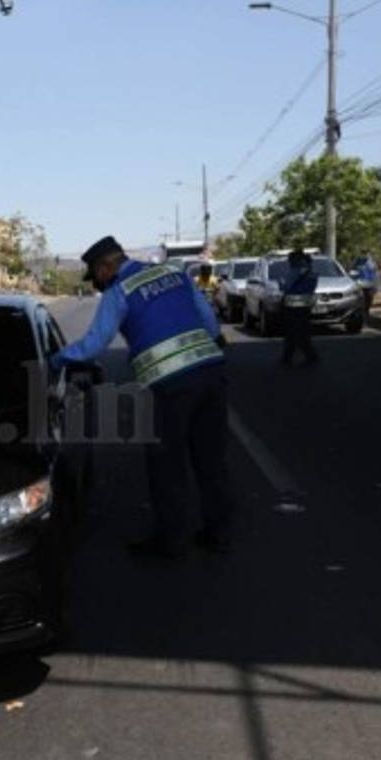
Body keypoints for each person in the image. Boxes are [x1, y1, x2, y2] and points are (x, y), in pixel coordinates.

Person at [50, 235, 232, 556]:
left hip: (170, 386)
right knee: (210, 458)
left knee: (166, 463)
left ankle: (169, 541)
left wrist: (56, 360)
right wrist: (215, 343)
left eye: (97, 275)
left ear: (107, 265)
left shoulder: (120, 290)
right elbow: (206, 317)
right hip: (211, 375)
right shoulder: (174, 273)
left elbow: (94, 345)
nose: (98, 284)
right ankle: (218, 532)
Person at [280, 249, 319, 367]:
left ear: (296, 259)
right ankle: (294, 356)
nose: (289, 262)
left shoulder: (297, 271)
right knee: (301, 331)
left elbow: (285, 286)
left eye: (290, 260)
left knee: (293, 332)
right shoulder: (311, 271)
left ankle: (292, 357)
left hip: (293, 305)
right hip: (305, 305)